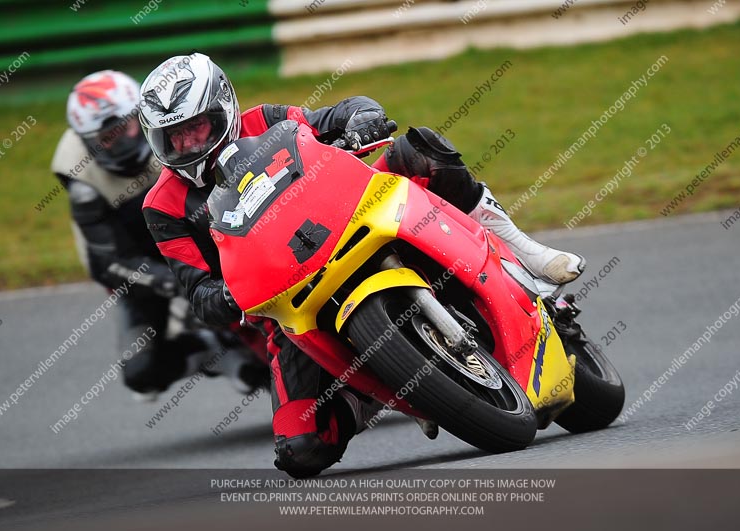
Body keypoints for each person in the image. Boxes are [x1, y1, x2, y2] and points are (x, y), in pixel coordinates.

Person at [139, 53, 585, 476]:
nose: (188, 144)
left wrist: (361, 118)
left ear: (224, 109)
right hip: (287, 304)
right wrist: (227, 294)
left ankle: (528, 255)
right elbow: (196, 290)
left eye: (197, 128)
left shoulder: (264, 121)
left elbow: (339, 112)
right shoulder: (162, 206)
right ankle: (366, 394)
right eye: (173, 138)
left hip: (350, 221)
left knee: (419, 150)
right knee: (302, 450)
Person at [52, 69, 267, 400]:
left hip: (196, 235)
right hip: (137, 269)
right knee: (142, 373)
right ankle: (211, 350)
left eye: (127, 127)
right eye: (107, 138)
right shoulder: (79, 173)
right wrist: (170, 282)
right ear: (86, 140)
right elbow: (107, 262)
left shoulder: (168, 132)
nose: (122, 141)